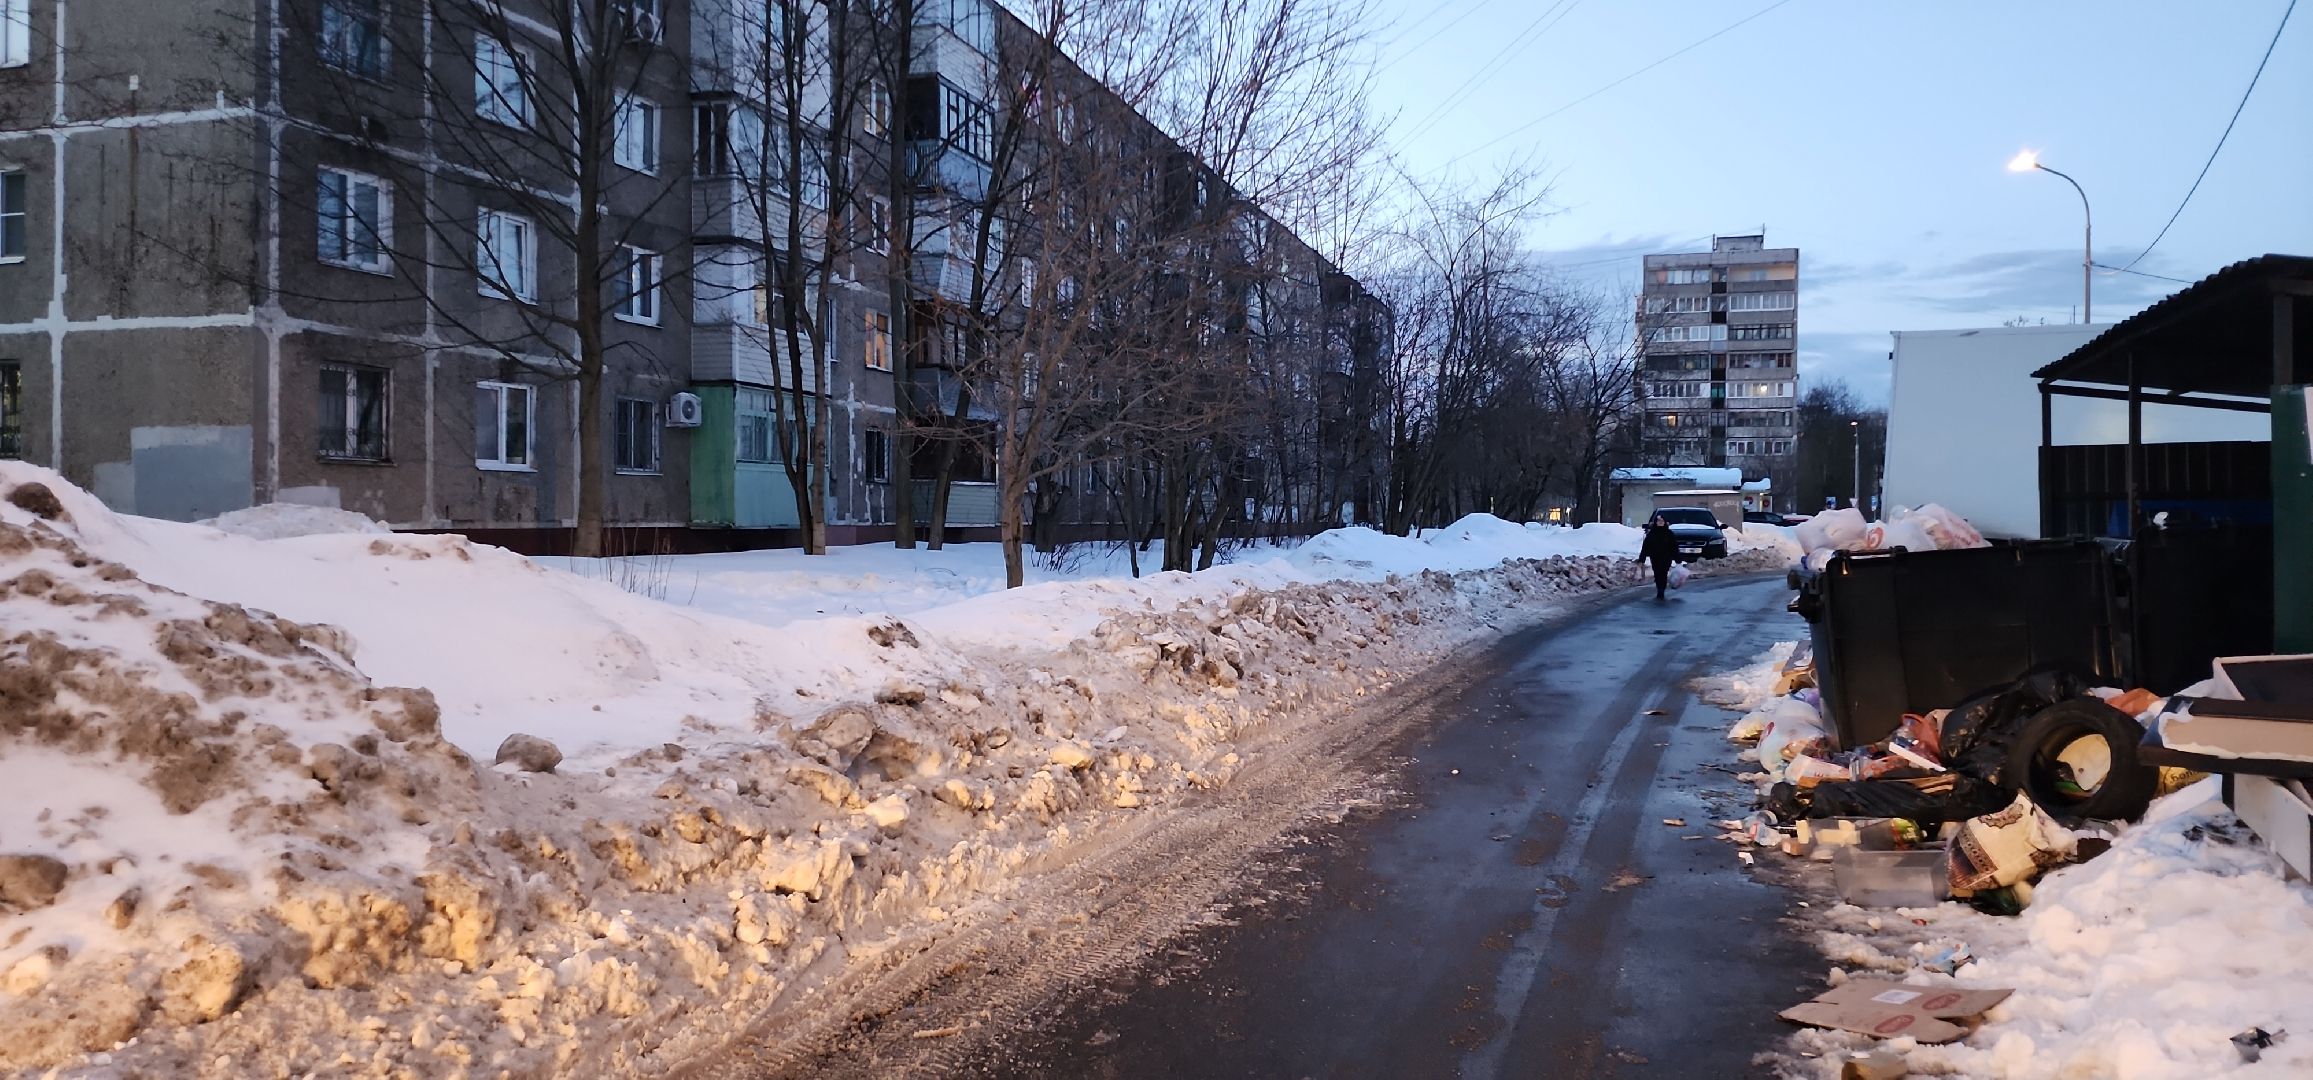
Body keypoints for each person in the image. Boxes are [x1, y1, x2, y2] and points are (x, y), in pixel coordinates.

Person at [1637, 514, 1679, 600]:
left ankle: (1661, 590)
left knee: (1663, 573)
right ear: (1656, 522)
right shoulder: (1652, 533)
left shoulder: (1669, 534)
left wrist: (1677, 558)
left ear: (1665, 523)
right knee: (1657, 573)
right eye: (1658, 521)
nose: (1660, 523)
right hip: (1655, 557)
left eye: (1662, 521)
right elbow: (1645, 547)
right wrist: (1642, 559)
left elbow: (1674, 546)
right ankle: (1659, 588)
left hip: (1666, 558)